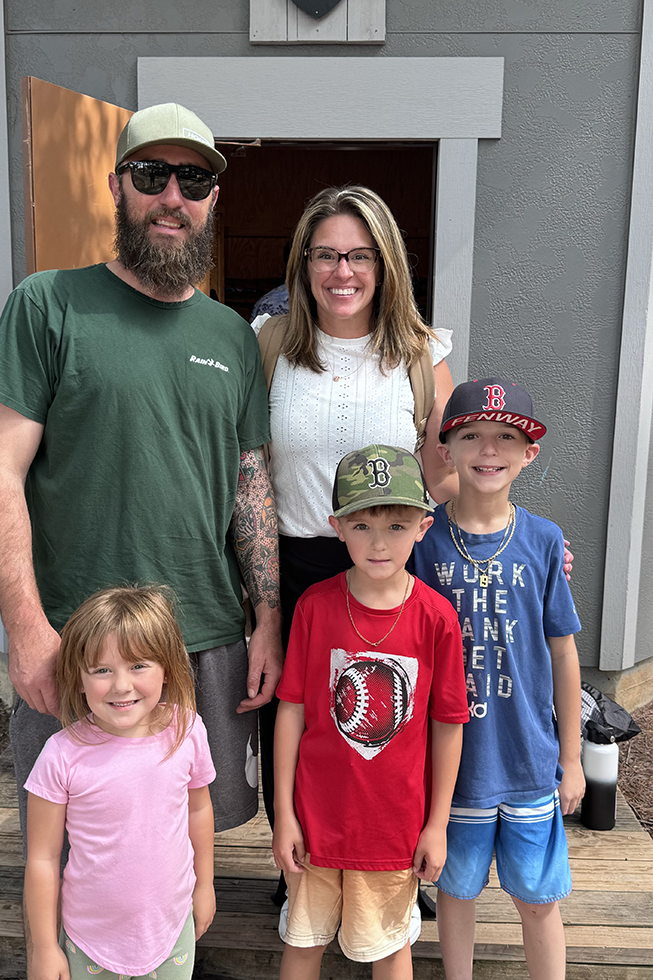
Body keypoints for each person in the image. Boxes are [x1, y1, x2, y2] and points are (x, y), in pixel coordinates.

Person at [0, 102, 282, 838]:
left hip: (202, 636)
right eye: (153, 174)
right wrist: (27, 628)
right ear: (117, 186)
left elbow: (251, 489)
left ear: (212, 199)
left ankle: (170, 957)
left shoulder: (232, 337)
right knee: (75, 842)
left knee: (190, 835)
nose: (173, 197)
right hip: (81, 642)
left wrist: (266, 621)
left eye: (194, 180)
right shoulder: (48, 305)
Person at [253, 184, 458, 840]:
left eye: (361, 255)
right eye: (325, 255)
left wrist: (513, 535)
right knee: (297, 716)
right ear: (302, 265)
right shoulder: (270, 344)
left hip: (388, 562)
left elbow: (450, 474)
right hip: (295, 560)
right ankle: (300, 857)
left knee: (391, 711)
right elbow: (244, 467)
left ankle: (397, 852)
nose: (343, 272)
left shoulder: (425, 354)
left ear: (387, 262)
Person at [410, 379, 585, 980]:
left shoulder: (541, 541)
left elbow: (564, 655)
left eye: (506, 437)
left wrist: (572, 755)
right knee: (457, 893)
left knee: (538, 899)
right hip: (454, 766)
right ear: (445, 447)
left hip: (529, 757)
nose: (489, 449)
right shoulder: (422, 541)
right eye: (472, 436)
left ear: (529, 453)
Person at [273, 445, 469, 980]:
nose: (378, 543)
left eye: (396, 525)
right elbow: (289, 711)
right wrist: (286, 814)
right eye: (361, 526)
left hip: (393, 825)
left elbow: (448, 725)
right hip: (316, 819)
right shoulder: (314, 606)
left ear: (423, 527)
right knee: (302, 939)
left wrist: (437, 824)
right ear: (336, 527)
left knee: (388, 948)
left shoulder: (435, 618)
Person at [24, 585, 215, 980]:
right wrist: (44, 948)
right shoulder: (60, 755)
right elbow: (42, 859)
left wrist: (205, 886)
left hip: (172, 932)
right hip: (90, 942)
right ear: (77, 678)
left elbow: (200, 810)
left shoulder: (187, 730)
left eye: (139, 665)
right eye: (102, 670)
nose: (121, 685)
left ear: (167, 669)